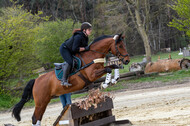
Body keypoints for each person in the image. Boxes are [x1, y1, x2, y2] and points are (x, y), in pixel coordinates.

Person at [59, 22, 92, 86]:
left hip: (72, 50)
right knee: (70, 62)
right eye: (89, 30)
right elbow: (75, 49)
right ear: (84, 30)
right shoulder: (78, 37)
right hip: (65, 49)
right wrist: (85, 48)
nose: (90, 31)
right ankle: (63, 80)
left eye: (90, 29)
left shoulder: (86, 37)